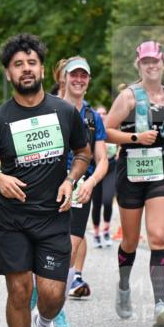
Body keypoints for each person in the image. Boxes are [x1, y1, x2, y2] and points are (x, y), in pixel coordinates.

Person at [0, 33, 91, 327]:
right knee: (20, 290)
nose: (26, 69)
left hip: (53, 216)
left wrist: (71, 179)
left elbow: (83, 152)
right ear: (9, 73)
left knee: (53, 295)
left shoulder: (64, 111)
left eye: (31, 62)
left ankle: (45, 324)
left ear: (41, 68)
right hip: (12, 220)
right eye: (18, 64)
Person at [104, 40, 164, 327]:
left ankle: (160, 304)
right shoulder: (128, 97)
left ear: (163, 62)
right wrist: (134, 138)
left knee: (158, 236)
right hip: (130, 169)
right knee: (131, 241)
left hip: (159, 167)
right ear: (139, 64)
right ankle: (124, 286)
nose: (151, 65)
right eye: (145, 61)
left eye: (155, 60)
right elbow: (107, 131)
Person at [61, 57, 109, 301]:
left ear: (88, 81)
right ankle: (44, 299)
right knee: (50, 248)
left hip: (81, 189)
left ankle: (54, 309)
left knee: (70, 248)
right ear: (65, 78)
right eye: (74, 75)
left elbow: (102, 160)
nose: (78, 80)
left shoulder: (93, 118)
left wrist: (91, 182)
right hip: (52, 187)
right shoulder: (51, 109)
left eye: (83, 76)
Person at [91, 105, 117, 248]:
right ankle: (96, 234)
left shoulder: (112, 129)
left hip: (111, 168)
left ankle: (106, 231)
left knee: (107, 201)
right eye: (99, 113)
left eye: (104, 113)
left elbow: (122, 143)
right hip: (95, 168)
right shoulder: (93, 128)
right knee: (97, 203)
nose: (102, 115)